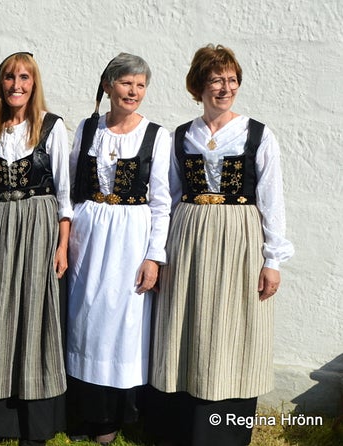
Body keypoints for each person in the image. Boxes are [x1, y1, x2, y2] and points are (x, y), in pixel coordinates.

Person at [149, 44, 294, 445]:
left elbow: (272, 200)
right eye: (216, 80)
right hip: (190, 237)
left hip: (240, 239)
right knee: (190, 322)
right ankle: (182, 426)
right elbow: (169, 196)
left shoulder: (257, 134)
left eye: (231, 80)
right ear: (199, 86)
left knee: (234, 326)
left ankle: (225, 431)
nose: (225, 88)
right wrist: (158, 255)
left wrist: (273, 260)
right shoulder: (182, 136)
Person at [0, 52, 71, 446]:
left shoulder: (51, 127)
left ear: (34, 83)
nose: (17, 84)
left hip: (39, 221)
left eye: (24, 77)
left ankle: (34, 420)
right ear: (0, 83)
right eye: (10, 77)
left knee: (34, 311)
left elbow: (65, 195)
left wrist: (63, 245)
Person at [64, 53, 171, 445]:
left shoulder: (156, 135)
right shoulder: (88, 128)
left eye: (141, 85)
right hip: (89, 235)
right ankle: (84, 411)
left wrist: (153, 256)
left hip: (130, 238)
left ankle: (113, 416)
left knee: (121, 327)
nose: (134, 92)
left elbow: (162, 202)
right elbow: (72, 185)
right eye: (127, 83)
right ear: (109, 85)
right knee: (85, 321)